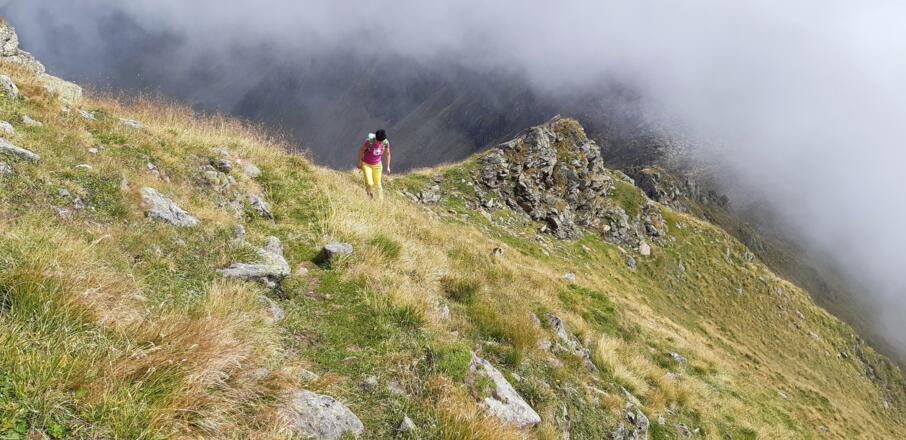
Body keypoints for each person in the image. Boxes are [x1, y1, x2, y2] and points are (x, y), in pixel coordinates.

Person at [358, 129, 391, 199]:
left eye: (380, 142)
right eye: (377, 141)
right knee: (369, 183)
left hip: (377, 165)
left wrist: (388, 167)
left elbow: (387, 154)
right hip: (366, 164)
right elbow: (361, 150)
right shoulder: (369, 142)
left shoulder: (386, 143)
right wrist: (360, 161)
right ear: (375, 137)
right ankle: (369, 195)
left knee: (378, 184)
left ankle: (380, 202)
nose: (379, 143)